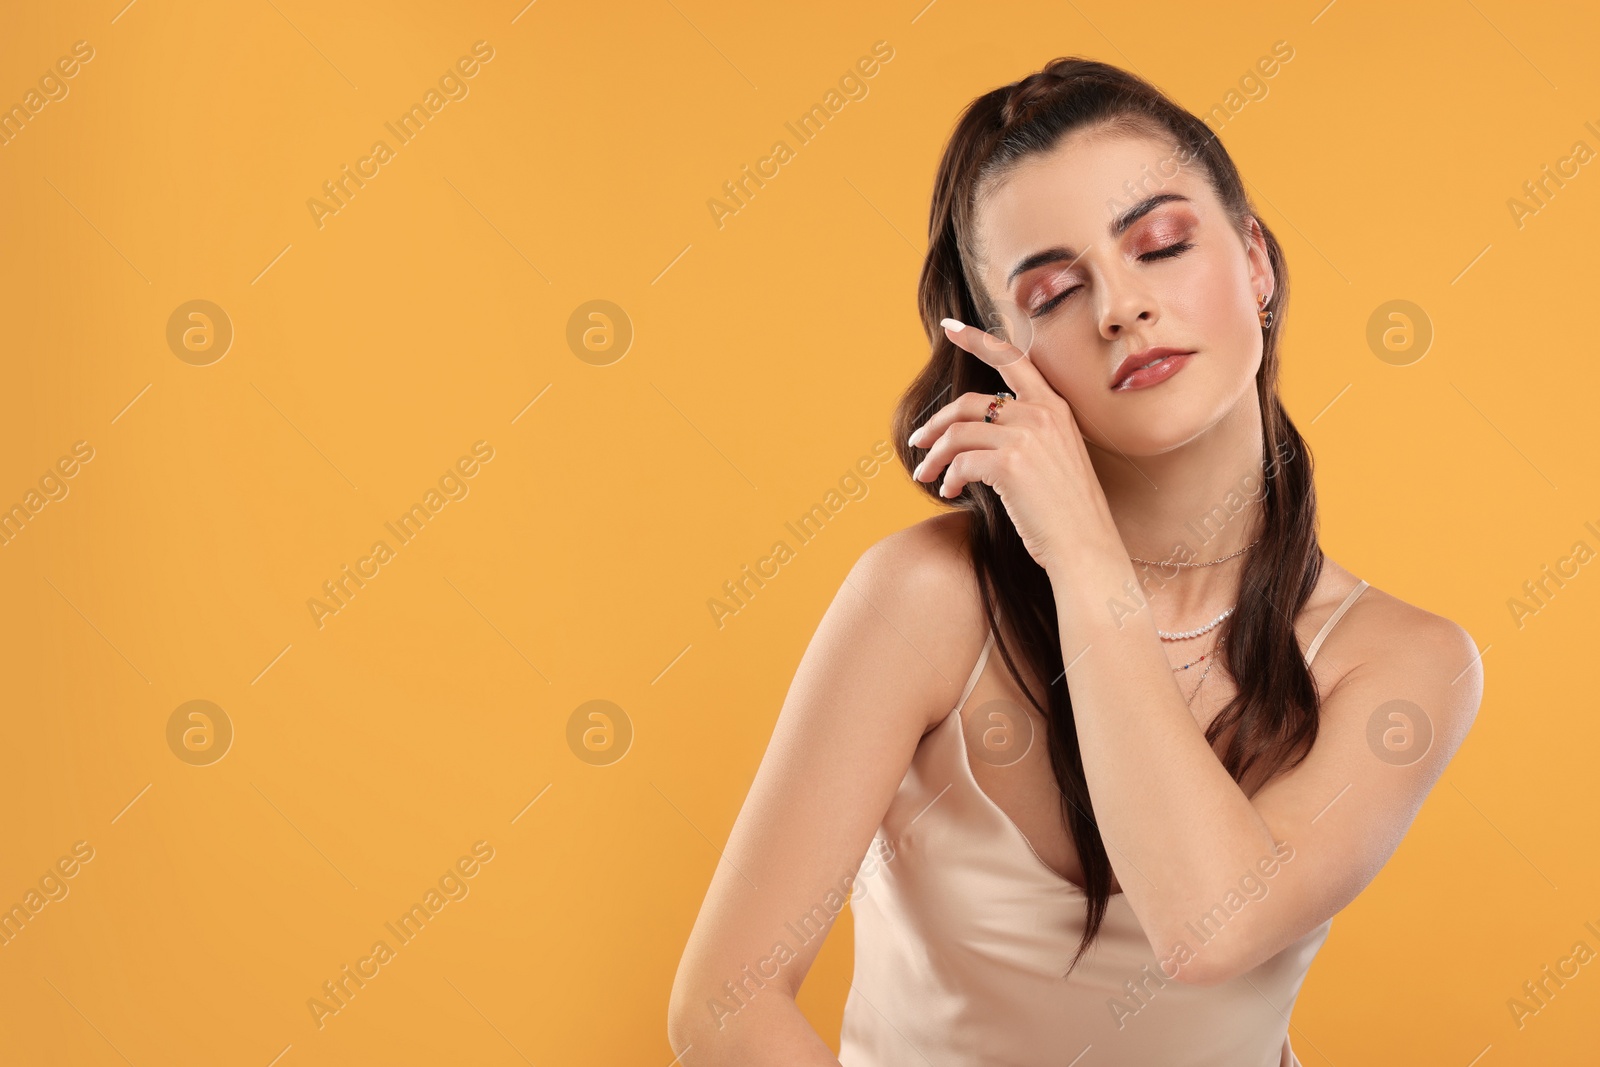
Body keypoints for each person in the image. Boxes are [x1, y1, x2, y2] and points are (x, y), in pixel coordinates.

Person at [668, 56, 1482, 1066]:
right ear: (1006, 353)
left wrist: (1090, 563)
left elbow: (1207, 928)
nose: (1119, 308)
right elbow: (721, 1008)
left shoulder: (1407, 662)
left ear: (1256, 261)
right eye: (1053, 291)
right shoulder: (926, 599)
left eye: (1162, 244)